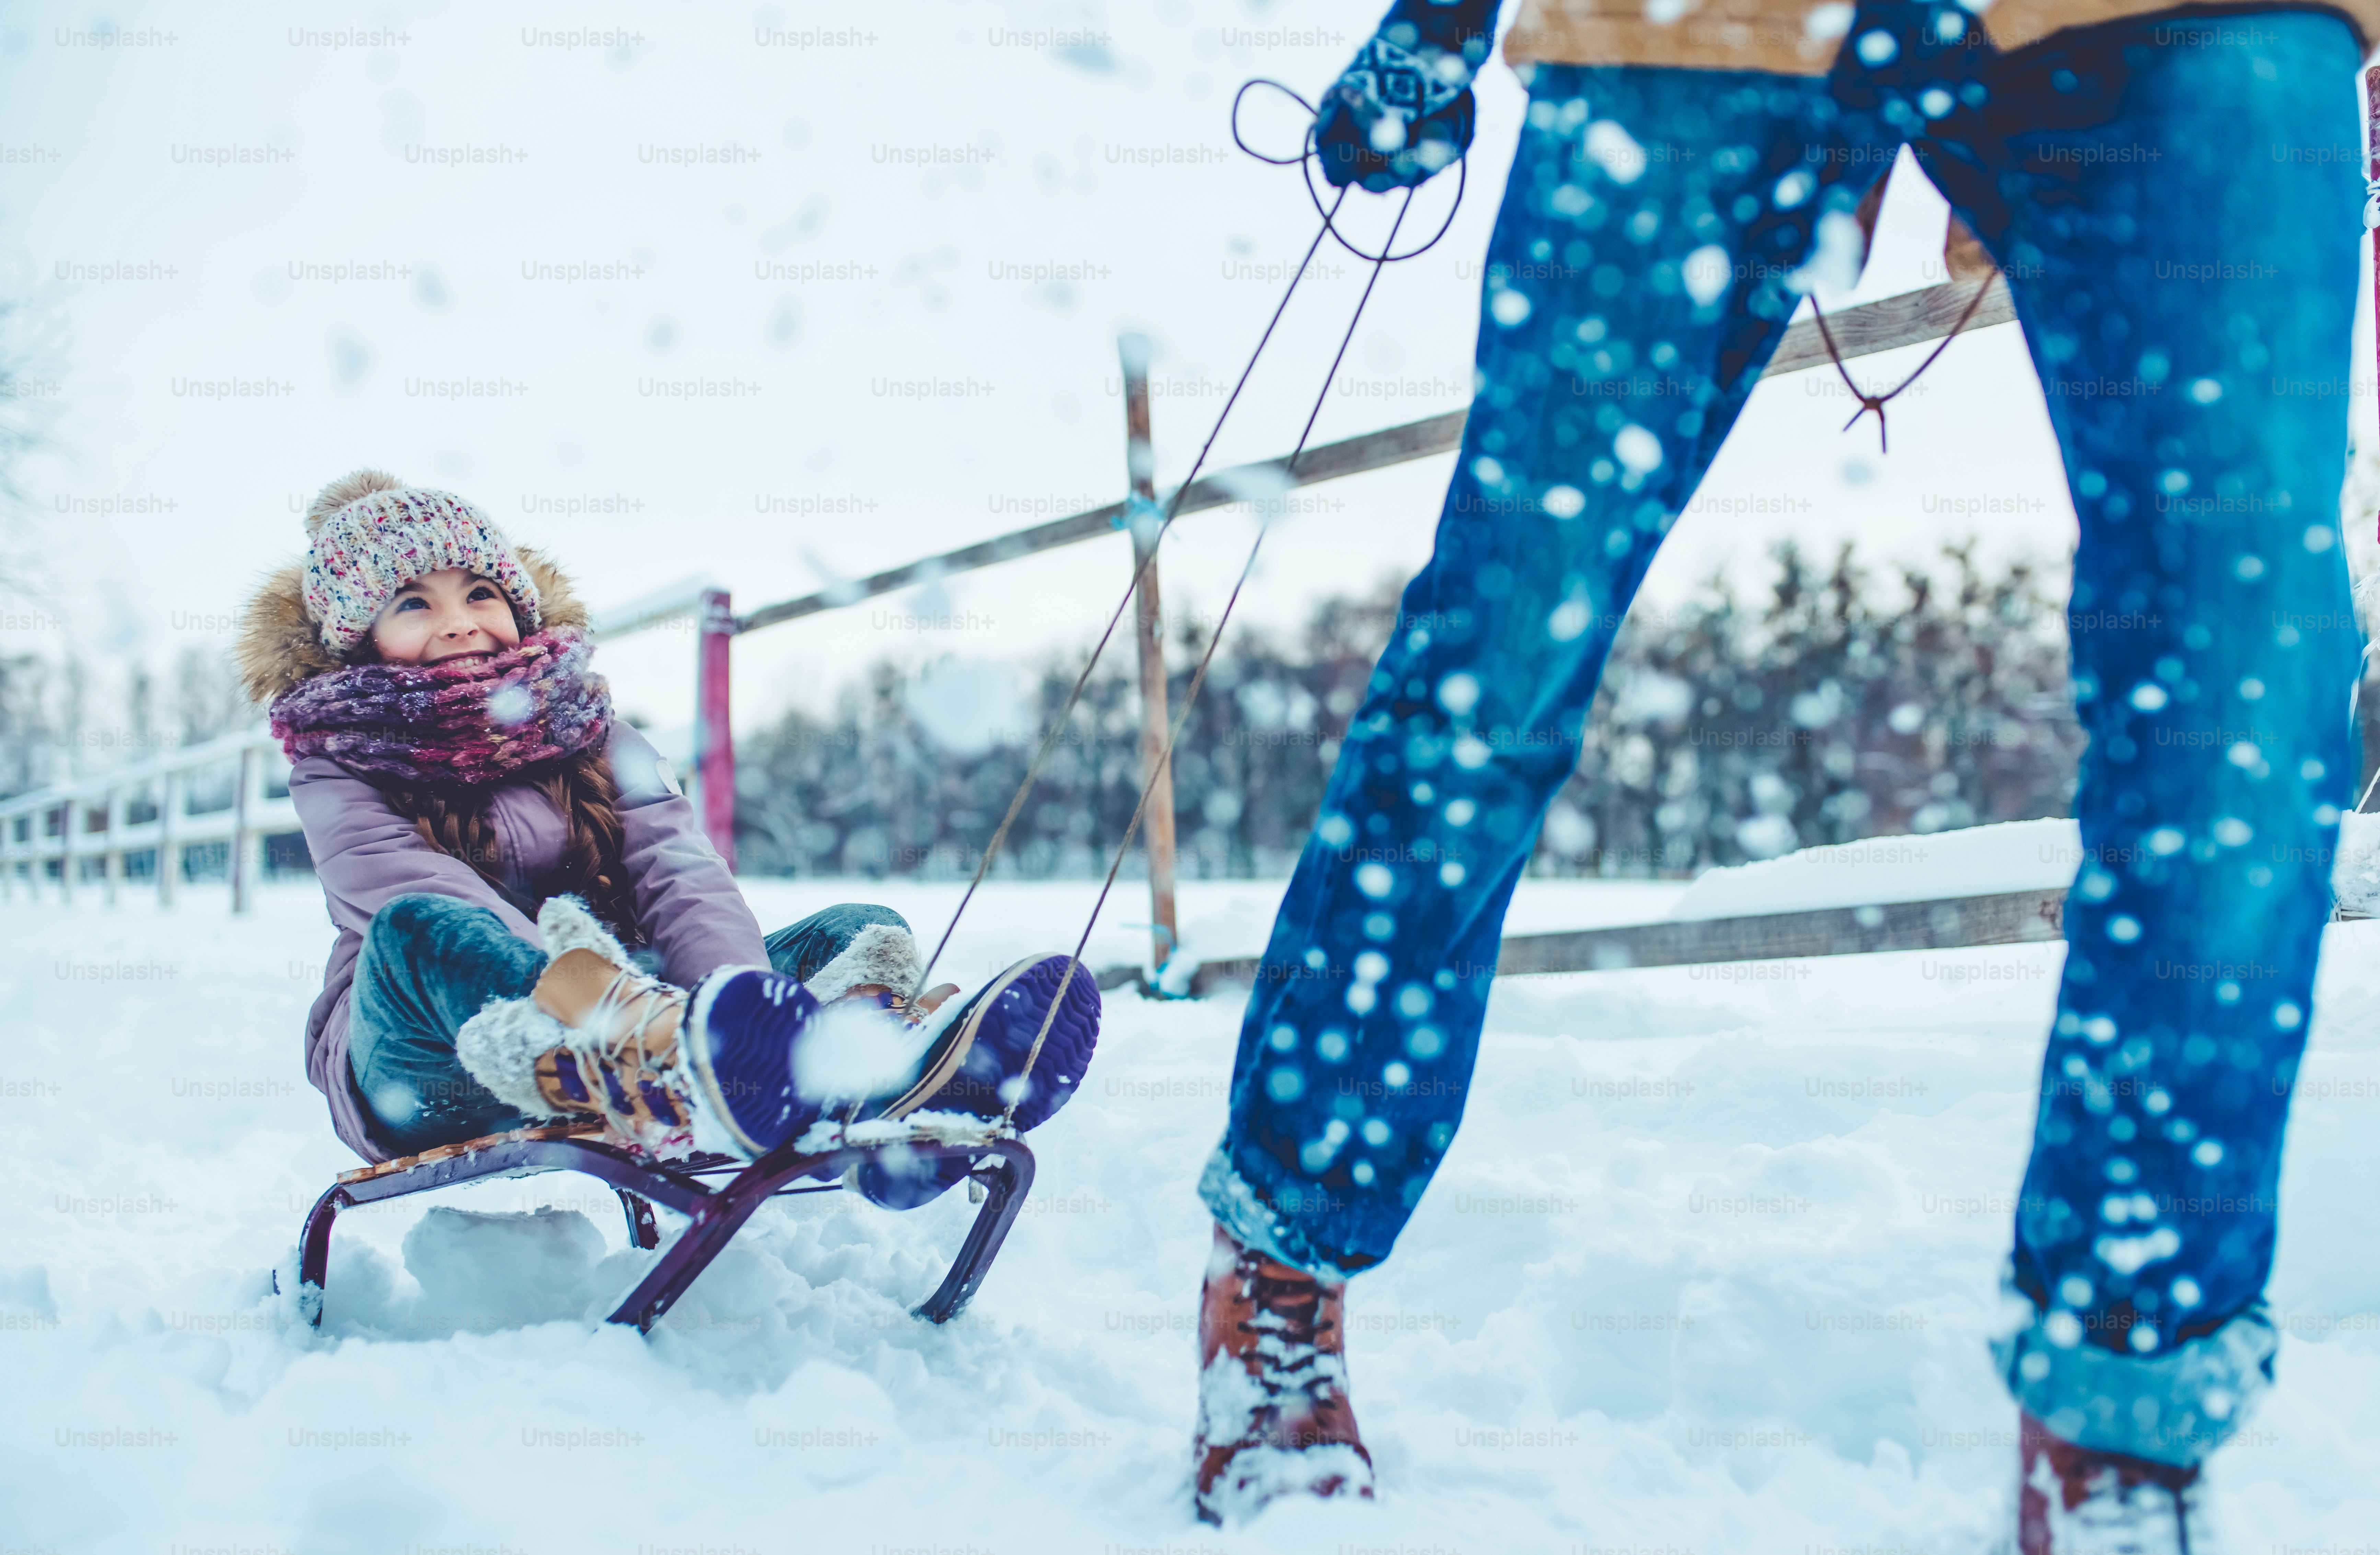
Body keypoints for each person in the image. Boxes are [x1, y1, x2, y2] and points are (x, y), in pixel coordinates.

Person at [1188, 0, 2367, 1544]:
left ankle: (2119, 1420)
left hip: (2186, 19)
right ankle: (1284, 1248)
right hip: (1708, 20)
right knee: (1509, 630)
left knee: (2245, 695)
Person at [238, 470, 1101, 1202]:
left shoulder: (595, 730)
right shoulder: (338, 763)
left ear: (518, 602)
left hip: (650, 1016)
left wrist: (736, 1008)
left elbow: (679, 873)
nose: (459, 620)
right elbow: (399, 884)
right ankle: (681, 1063)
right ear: (360, 641)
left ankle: (878, 1094)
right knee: (426, 927)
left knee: (856, 928)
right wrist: (612, 1009)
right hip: (431, 1055)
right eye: (412, 603)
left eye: (480, 592)